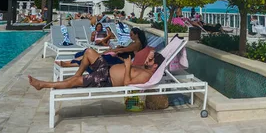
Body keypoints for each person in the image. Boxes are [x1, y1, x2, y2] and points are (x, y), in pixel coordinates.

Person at [29, 51, 165, 90]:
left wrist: (128, 66)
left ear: (155, 66)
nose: (147, 60)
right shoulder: (144, 68)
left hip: (105, 79)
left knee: (76, 80)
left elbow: (127, 84)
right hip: (105, 69)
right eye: (148, 58)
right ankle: (74, 79)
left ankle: (43, 85)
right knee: (88, 52)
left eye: (151, 60)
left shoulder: (146, 76)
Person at [57, 27, 147, 68]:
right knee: (90, 53)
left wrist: (112, 50)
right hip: (116, 57)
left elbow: (124, 50)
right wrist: (116, 49)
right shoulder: (134, 42)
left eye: (131, 34)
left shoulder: (137, 44)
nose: (130, 36)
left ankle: (69, 64)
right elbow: (124, 49)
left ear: (136, 34)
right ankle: (69, 62)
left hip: (119, 60)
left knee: (94, 58)